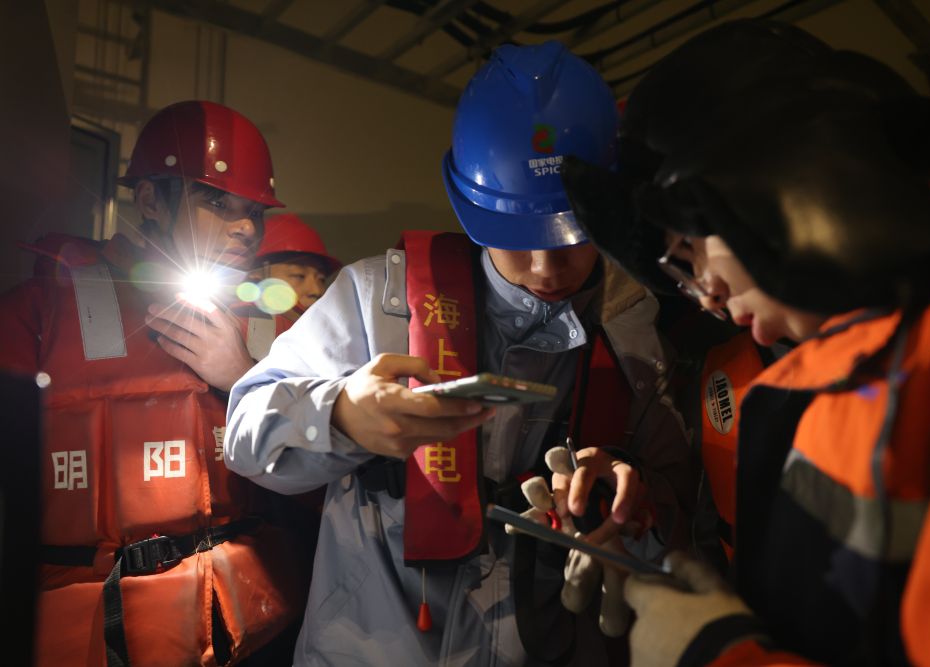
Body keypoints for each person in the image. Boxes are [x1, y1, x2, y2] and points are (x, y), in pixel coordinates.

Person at [225, 42, 696, 666]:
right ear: (474, 210)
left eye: (572, 235)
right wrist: (340, 415)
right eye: (515, 237)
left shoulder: (635, 334)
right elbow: (244, 435)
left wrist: (631, 505)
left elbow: (680, 515)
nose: (545, 267)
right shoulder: (378, 300)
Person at [560, 18, 930, 667]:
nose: (706, 297)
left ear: (773, 184)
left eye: (687, 252)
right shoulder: (870, 356)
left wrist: (720, 654)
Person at [0, 100, 311, 666]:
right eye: (215, 202)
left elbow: (327, 484)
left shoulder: (278, 325)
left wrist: (244, 378)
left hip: (250, 632)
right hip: (89, 634)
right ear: (149, 200)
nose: (246, 227)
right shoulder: (42, 308)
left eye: (254, 211)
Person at [249, 213, 342, 320]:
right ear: (256, 277)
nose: (316, 291)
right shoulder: (237, 324)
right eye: (299, 276)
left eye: (322, 280)